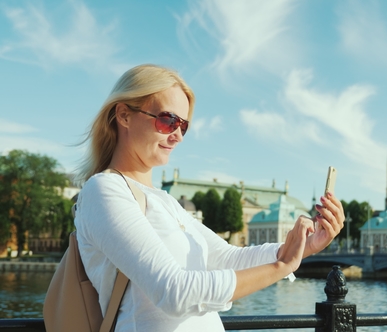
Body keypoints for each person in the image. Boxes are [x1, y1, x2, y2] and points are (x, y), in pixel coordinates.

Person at [74, 64, 345, 332]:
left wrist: (302, 247)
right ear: (123, 115)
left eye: (183, 125)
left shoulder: (165, 201)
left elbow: (228, 259)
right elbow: (173, 291)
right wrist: (281, 266)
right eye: (168, 120)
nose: (177, 135)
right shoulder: (104, 190)